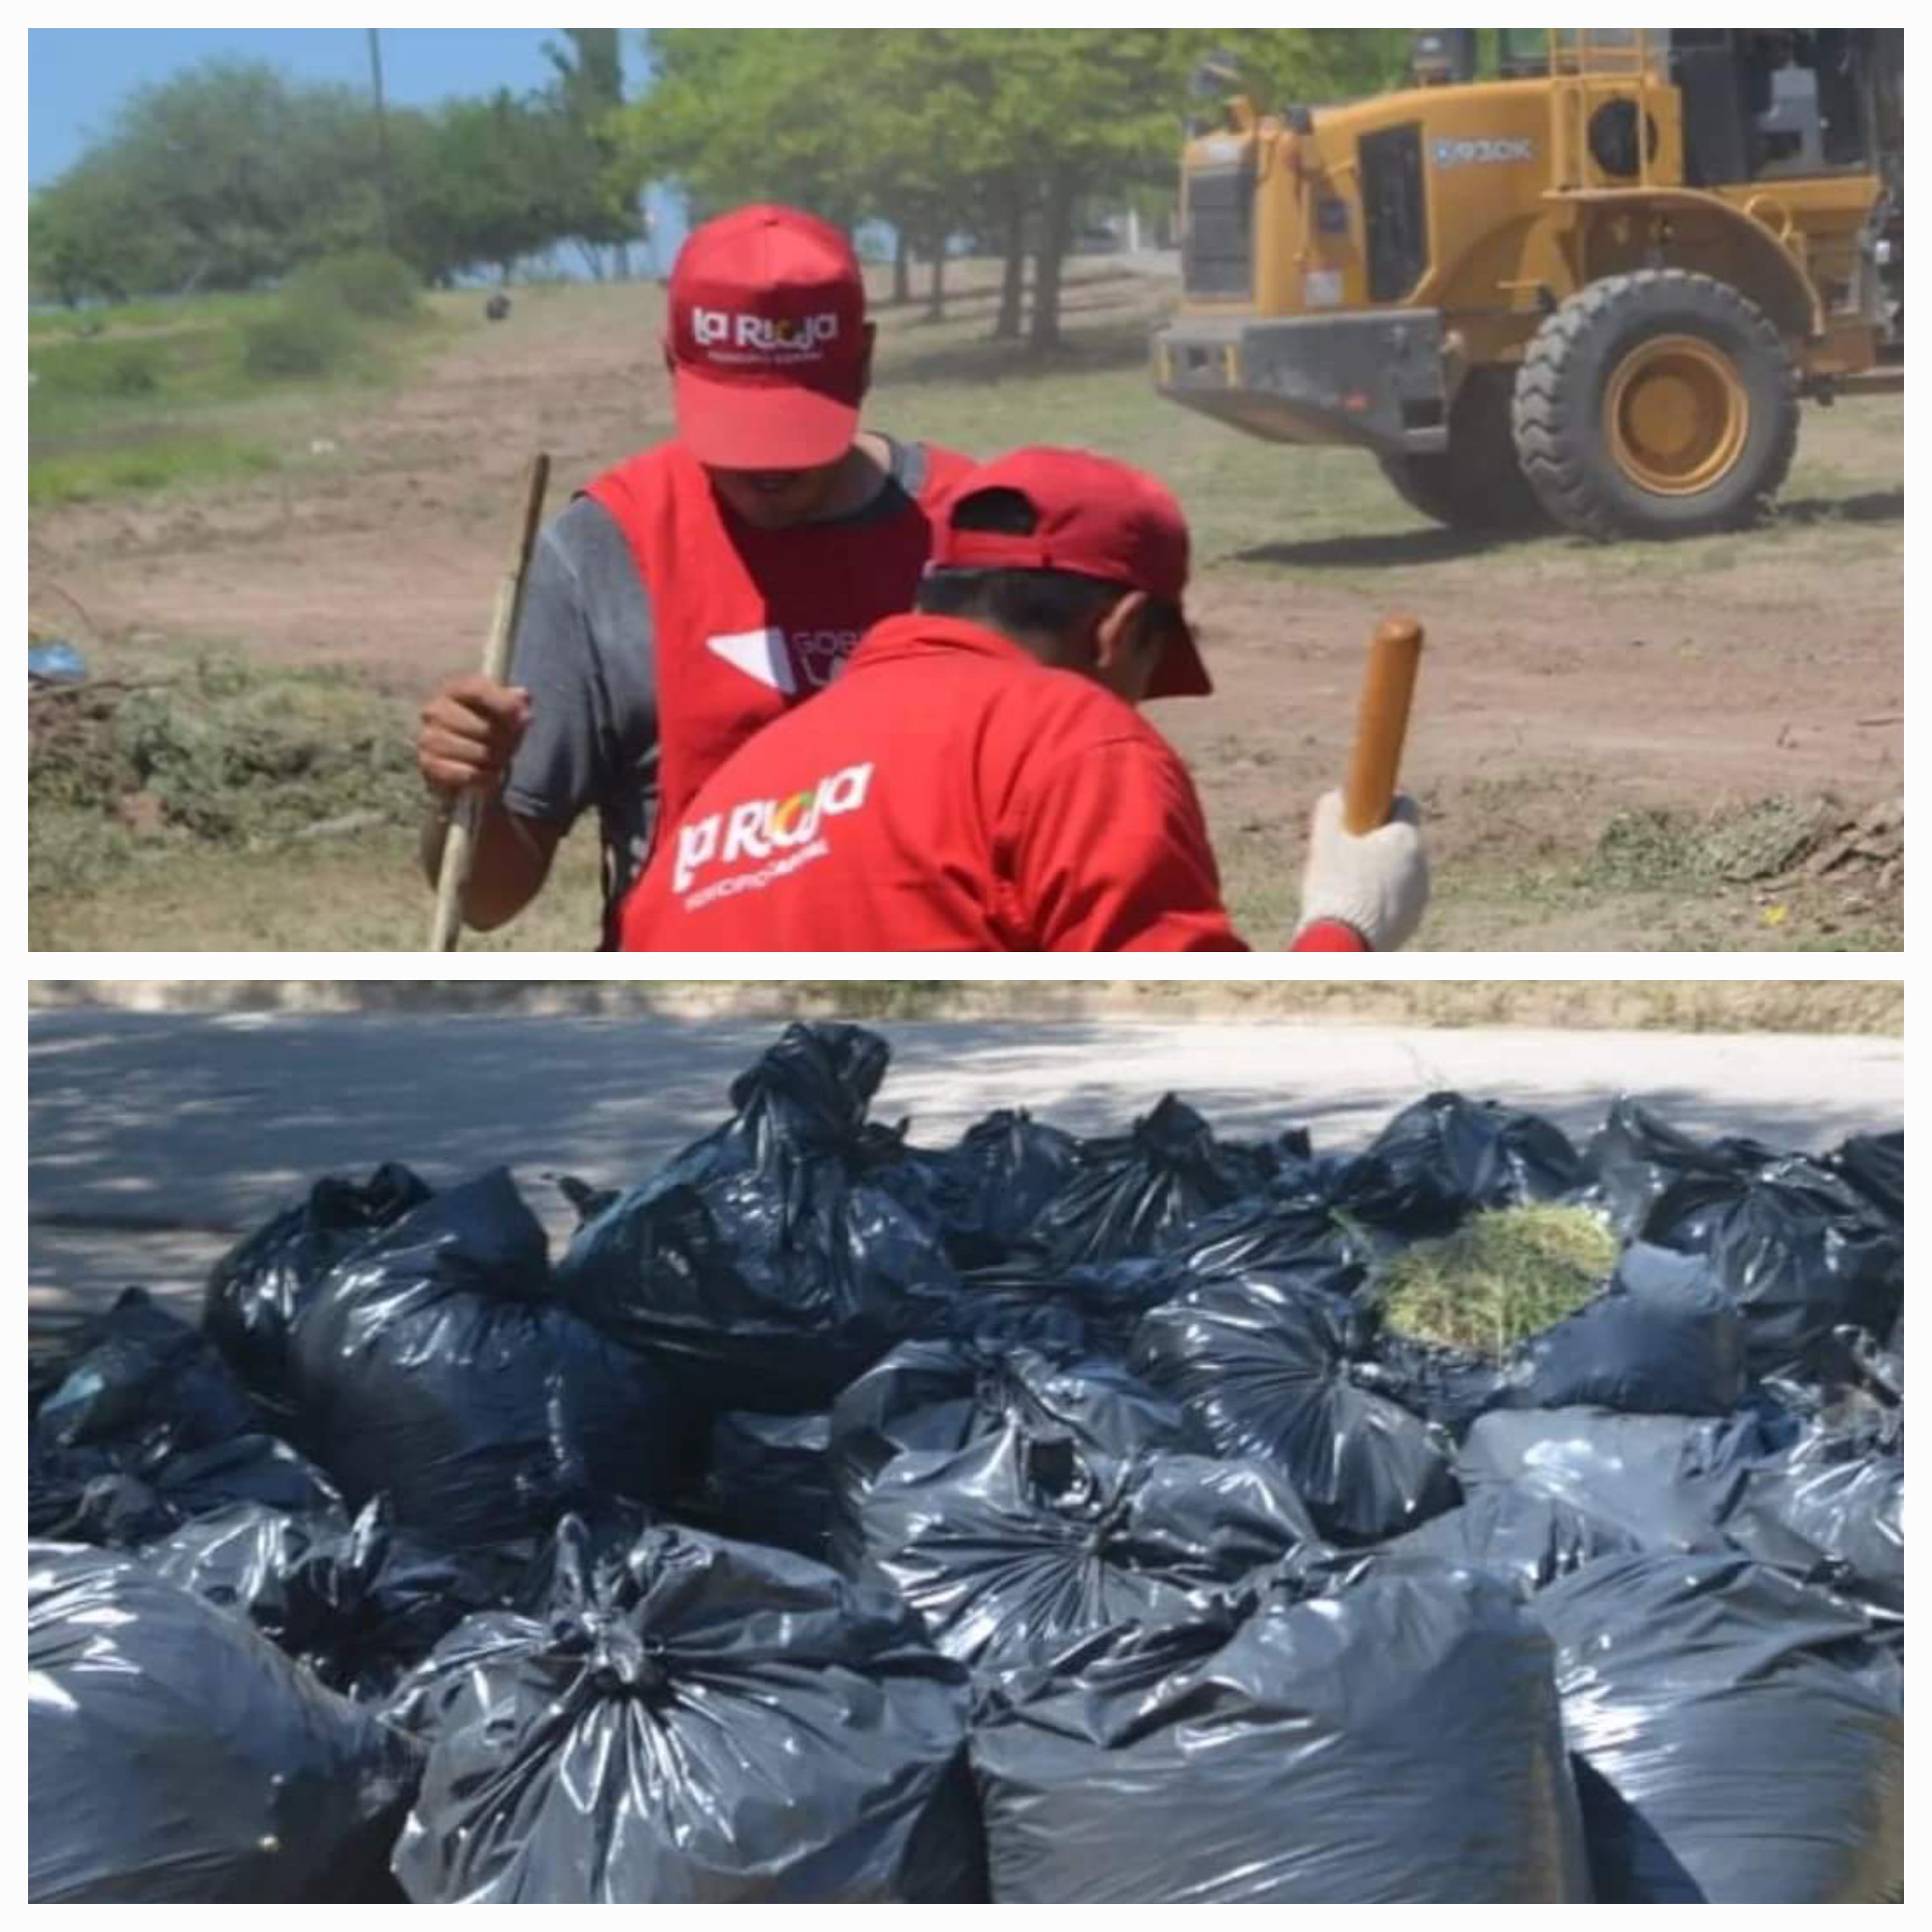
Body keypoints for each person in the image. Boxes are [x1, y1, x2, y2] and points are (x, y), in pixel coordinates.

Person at [415, 204, 974, 942]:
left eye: (797, 427)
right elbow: (488, 901)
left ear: (864, 362)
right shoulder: (603, 551)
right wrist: (464, 791)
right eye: (738, 429)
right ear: (672, 365)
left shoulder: (977, 537)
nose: (766, 468)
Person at [618, 446, 1428, 952]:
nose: (1137, 706)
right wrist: (1345, 923)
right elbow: (1192, 1062)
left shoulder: (741, 784)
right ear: (1120, 631)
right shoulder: (1072, 738)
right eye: (1151, 673)